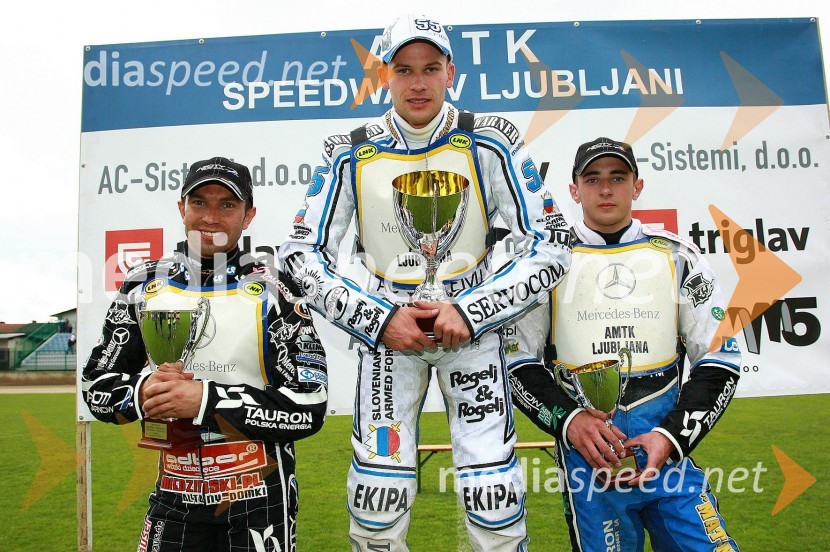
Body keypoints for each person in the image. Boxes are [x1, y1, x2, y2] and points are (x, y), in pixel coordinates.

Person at [279, 14, 571, 552]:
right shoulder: (349, 149)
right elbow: (298, 257)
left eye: (430, 69)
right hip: (389, 340)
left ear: (450, 73)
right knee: (378, 493)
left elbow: (552, 243)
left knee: (493, 490)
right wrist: (379, 319)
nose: (418, 83)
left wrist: (472, 310)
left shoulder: (490, 139)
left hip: (473, 337)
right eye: (404, 70)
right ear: (385, 76)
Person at [81, 156, 328, 552]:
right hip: (173, 492)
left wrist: (206, 400)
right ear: (182, 208)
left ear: (248, 216)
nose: (211, 217)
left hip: (259, 493)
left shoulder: (276, 287)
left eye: (227, 205)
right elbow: (96, 386)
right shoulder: (143, 283)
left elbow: (309, 406)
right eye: (199, 202)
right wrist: (144, 394)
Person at [507, 138, 741, 551]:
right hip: (590, 467)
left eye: (618, 178)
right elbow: (516, 362)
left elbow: (721, 359)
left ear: (637, 186)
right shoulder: (545, 263)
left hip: (669, 459)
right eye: (592, 179)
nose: (605, 189)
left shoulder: (678, 256)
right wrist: (570, 421)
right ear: (574, 190)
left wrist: (670, 438)